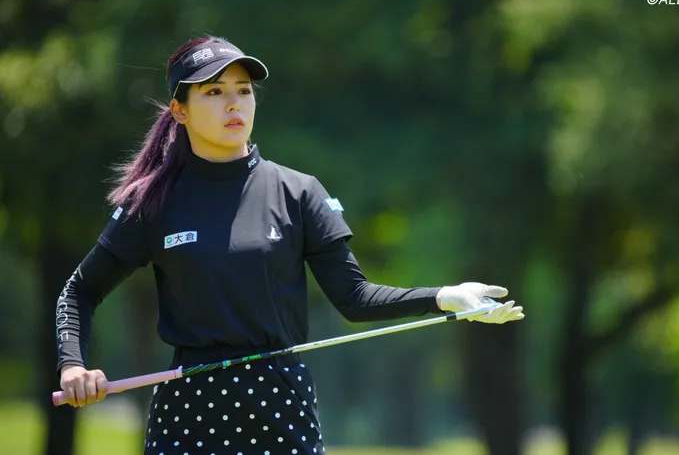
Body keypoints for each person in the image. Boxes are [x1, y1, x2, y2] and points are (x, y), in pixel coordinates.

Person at [55, 35, 524, 455]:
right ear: (180, 111)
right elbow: (79, 291)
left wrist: (446, 297)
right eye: (214, 92)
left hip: (280, 410)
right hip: (187, 414)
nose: (234, 104)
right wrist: (73, 366)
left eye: (243, 91)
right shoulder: (154, 203)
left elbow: (356, 298)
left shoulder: (298, 192)